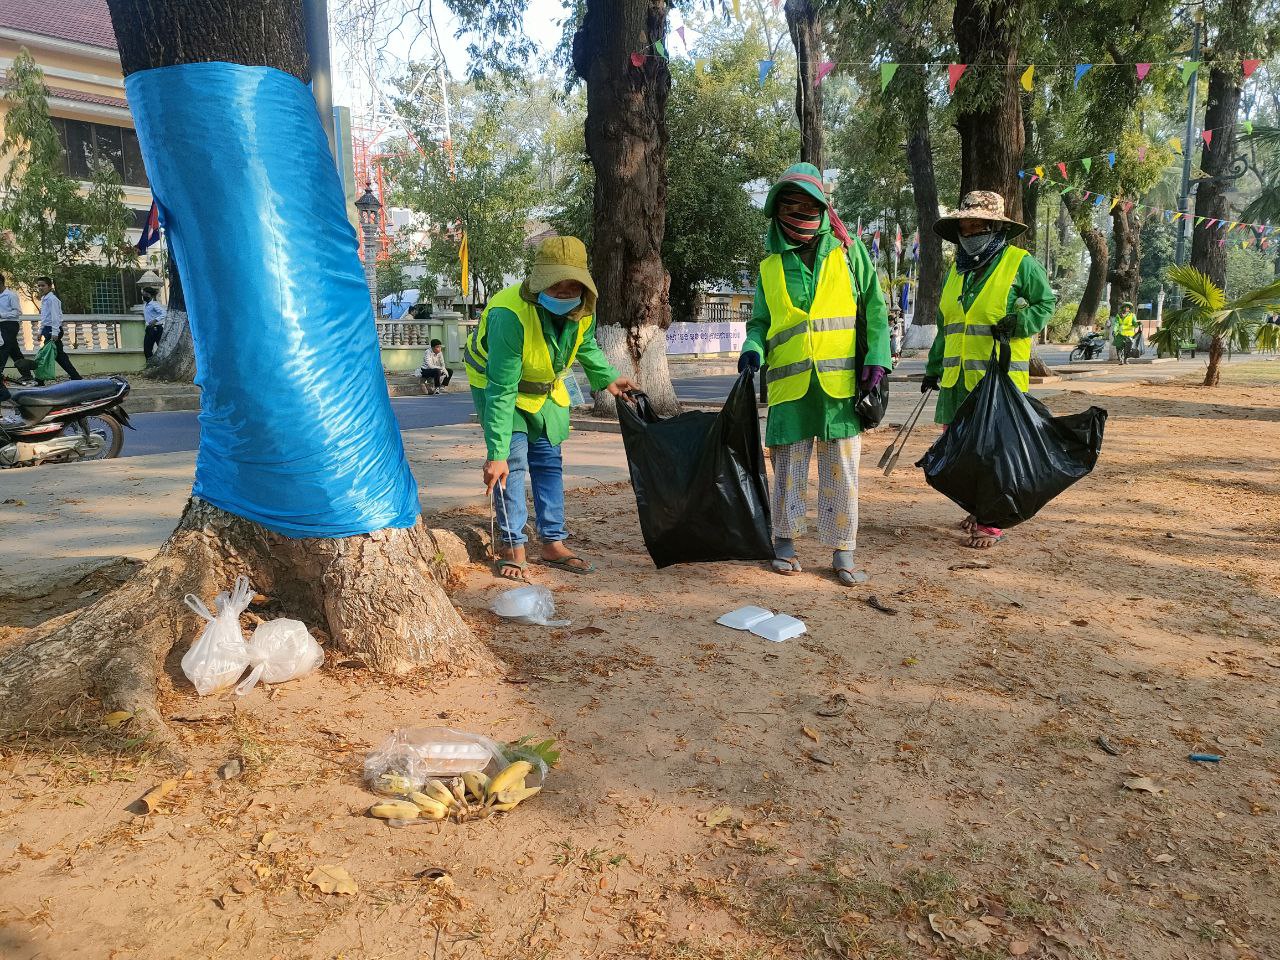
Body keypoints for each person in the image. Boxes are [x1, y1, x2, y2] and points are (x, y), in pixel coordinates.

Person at [737, 162, 892, 586]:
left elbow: (874, 310)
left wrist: (878, 358)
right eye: (791, 204)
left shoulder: (849, 251)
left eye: (809, 204)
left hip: (842, 385)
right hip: (789, 387)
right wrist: (752, 348)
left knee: (841, 470)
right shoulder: (769, 267)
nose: (801, 212)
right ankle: (784, 543)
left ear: (824, 206)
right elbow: (760, 322)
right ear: (777, 210)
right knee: (787, 468)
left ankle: (844, 551)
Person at [465, 236, 636, 581]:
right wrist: (495, 453)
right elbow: (502, 388)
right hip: (500, 390)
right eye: (556, 286)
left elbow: (584, 345)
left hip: (546, 390)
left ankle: (553, 542)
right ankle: (513, 546)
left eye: (572, 286)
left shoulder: (583, 306)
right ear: (538, 280)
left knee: (548, 461)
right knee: (509, 464)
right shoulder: (508, 314)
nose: (564, 293)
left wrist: (608, 378)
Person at [921, 191, 1055, 549]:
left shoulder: (1019, 262)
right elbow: (946, 325)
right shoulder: (957, 270)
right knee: (963, 449)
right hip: (956, 380)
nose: (970, 230)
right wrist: (933, 368)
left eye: (978, 225)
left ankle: (993, 521)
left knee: (995, 450)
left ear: (995, 227)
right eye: (965, 225)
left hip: (998, 380)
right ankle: (978, 507)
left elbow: (1046, 302)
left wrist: (1018, 321)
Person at [35, 276, 81, 381]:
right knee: (59, 356)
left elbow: (55, 317)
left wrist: (55, 332)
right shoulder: (44, 299)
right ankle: (75, 376)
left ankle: (39, 380)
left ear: (49, 286)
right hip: (48, 329)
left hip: (53, 330)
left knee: (45, 354)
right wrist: (41, 331)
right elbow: (45, 317)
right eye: (39, 286)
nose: (40, 288)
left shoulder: (52, 299)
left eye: (43, 285)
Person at [0, 272, 32, 385]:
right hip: (1, 325)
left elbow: (17, 312)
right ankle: (27, 375)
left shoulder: (11, 295)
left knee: (3, 347)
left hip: (10, 324)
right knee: (14, 351)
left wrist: (2, 315)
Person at [142, 287, 166, 360]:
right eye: (143, 294)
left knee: (158, 348)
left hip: (156, 328)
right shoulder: (146, 305)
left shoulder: (154, 304)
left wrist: (155, 320)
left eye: (146, 294)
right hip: (150, 328)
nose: (144, 296)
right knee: (147, 349)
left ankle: (160, 364)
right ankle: (151, 365)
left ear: (151, 295)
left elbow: (164, 313)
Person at [1113, 300, 1138, 365]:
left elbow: (1135, 324)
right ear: (1123, 308)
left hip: (1129, 334)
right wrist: (1114, 330)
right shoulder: (1118, 315)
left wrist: (1137, 324)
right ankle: (1120, 359)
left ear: (1129, 309)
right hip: (1120, 333)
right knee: (1119, 347)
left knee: (1128, 348)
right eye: (1125, 307)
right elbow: (1116, 323)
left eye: (1128, 307)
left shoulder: (1132, 315)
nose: (1126, 308)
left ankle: (1126, 359)